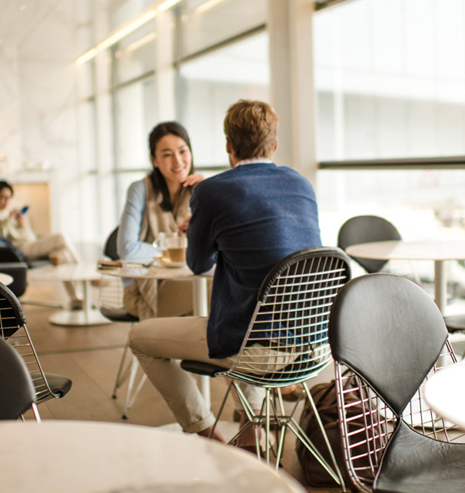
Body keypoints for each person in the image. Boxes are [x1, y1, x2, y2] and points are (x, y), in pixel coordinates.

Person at [127, 100, 322, 446]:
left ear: (229, 145)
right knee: (250, 310)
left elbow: (198, 264)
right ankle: (250, 431)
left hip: (254, 346)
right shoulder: (302, 185)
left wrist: (202, 229)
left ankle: (209, 435)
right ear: (274, 145)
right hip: (313, 344)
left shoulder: (212, 191)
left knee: (140, 338)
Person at [117, 121, 204, 320]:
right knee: (217, 293)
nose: (178, 161)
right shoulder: (139, 189)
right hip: (143, 288)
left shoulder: (201, 189)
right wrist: (177, 254)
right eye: (167, 154)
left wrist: (211, 195)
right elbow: (128, 250)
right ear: (154, 160)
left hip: (188, 281)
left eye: (182, 151)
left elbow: (216, 248)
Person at [0, 180, 78, 266]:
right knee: (60, 237)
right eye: (3, 197)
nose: (7, 201)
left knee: (65, 255)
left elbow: (29, 234)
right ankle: (86, 273)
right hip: (21, 248)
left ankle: (78, 286)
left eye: (9, 197)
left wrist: (23, 224)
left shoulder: (10, 211)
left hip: (32, 242)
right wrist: (8, 220)